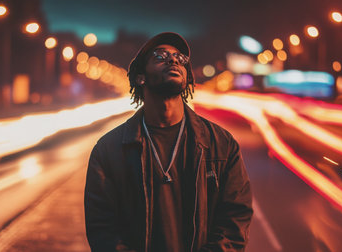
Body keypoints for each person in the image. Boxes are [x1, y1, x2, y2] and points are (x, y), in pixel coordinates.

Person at [84, 32, 253, 252]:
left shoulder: (221, 144)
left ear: (187, 78)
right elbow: (103, 229)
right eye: (160, 56)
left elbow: (235, 220)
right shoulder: (108, 150)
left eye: (180, 58)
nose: (173, 60)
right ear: (140, 77)